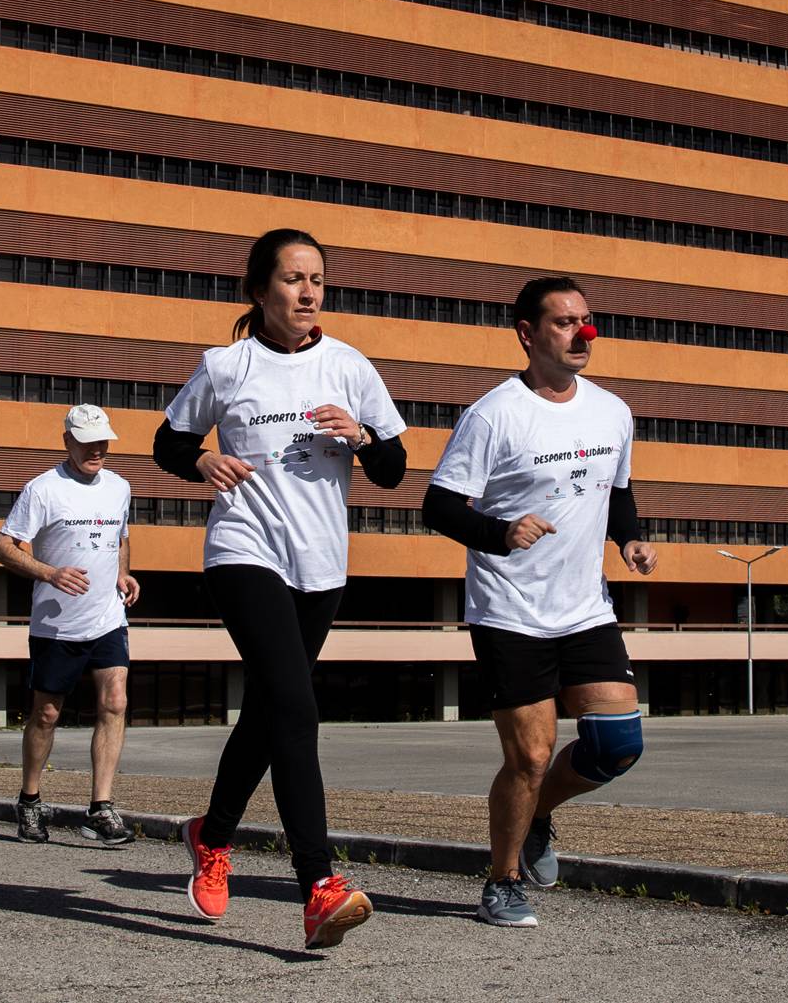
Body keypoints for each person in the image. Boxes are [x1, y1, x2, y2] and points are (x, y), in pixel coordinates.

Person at [152, 228, 407, 950]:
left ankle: (212, 832)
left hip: (320, 565)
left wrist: (359, 436)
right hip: (242, 550)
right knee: (297, 709)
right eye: (293, 279)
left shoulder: (349, 366)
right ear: (260, 289)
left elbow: (393, 468)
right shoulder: (226, 367)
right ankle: (319, 884)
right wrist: (203, 462)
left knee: (269, 712)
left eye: (317, 279)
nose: (308, 292)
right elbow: (167, 441)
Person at [422, 275, 657, 929]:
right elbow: (438, 504)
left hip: (585, 607)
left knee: (617, 745)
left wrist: (630, 539)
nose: (583, 332)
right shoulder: (494, 414)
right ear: (528, 333)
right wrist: (500, 532)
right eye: (564, 322)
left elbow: (618, 491)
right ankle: (501, 881)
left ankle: (539, 814)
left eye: (588, 319)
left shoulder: (613, 411)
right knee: (528, 755)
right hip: (510, 611)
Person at [0, 404, 141, 845]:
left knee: (115, 701)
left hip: (107, 617)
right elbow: (3, 547)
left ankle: (101, 807)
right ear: (67, 442)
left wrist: (122, 574)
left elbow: (121, 538)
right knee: (47, 713)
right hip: (57, 625)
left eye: (103, 442)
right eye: (87, 441)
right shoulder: (43, 489)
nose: (97, 450)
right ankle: (30, 800)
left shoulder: (119, 487)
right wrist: (49, 573)